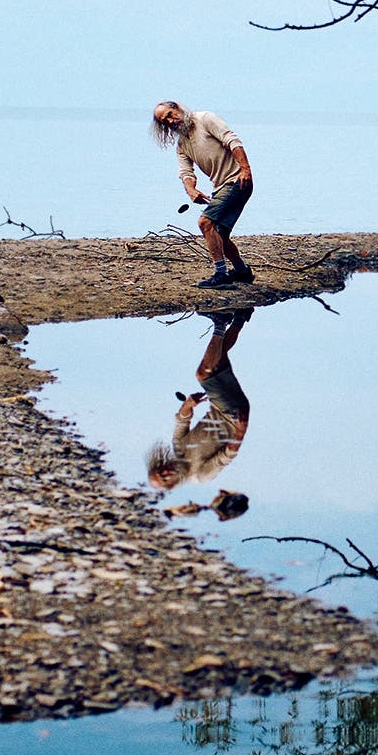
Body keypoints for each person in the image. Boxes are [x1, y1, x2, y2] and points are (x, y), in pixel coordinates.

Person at [146, 309, 253, 500]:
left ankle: (241, 316)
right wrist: (241, 430)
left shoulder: (178, 448)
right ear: (172, 484)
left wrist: (188, 405)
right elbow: (226, 456)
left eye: (160, 470)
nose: (166, 472)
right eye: (164, 479)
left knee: (219, 357)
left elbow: (181, 421)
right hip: (233, 416)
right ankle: (220, 322)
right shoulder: (200, 475)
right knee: (203, 374)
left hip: (218, 407)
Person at [152, 100, 254, 288]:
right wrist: (191, 190)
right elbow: (186, 173)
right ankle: (242, 271)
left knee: (205, 223)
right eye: (164, 122)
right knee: (220, 235)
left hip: (237, 180)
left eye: (169, 115)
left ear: (177, 108)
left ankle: (221, 274)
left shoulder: (205, 118)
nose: (170, 121)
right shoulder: (182, 144)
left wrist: (245, 169)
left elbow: (232, 140)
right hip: (220, 186)